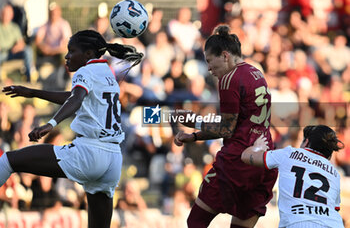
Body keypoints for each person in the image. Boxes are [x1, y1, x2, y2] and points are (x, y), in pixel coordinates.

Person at [0, 29, 143, 228]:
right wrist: (33, 92)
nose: (66, 56)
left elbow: (76, 99)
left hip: (89, 153)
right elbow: (75, 96)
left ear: (88, 54)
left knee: (8, 160)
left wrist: (50, 124)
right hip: (112, 159)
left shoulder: (85, 71)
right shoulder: (107, 73)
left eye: (71, 51)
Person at [174, 25, 278, 228]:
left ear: (224, 56)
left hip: (236, 162)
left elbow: (226, 129)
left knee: (195, 221)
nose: (210, 69)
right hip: (263, 161)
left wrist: (194, 128)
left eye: (210, 62)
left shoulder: (229, 79)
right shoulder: (256, 72)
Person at [241, 125, 345, 228]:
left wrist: (257, 147)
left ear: (307, 142)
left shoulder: (289, 154)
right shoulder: (335, 174)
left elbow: (246, 157)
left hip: (297, 223)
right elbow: (334, 208)